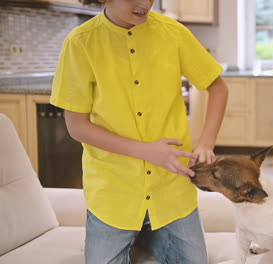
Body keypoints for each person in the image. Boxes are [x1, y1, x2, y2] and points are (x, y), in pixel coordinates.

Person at [50, 0, 228, 263]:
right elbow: (77, 126)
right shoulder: (80, 42)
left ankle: (146, 235)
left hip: (171, 191)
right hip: (113, 193)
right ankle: (140, 234)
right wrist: (147, 151)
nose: (145, 2)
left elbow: (218, 88)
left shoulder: (174, 33)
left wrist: (206, 143)